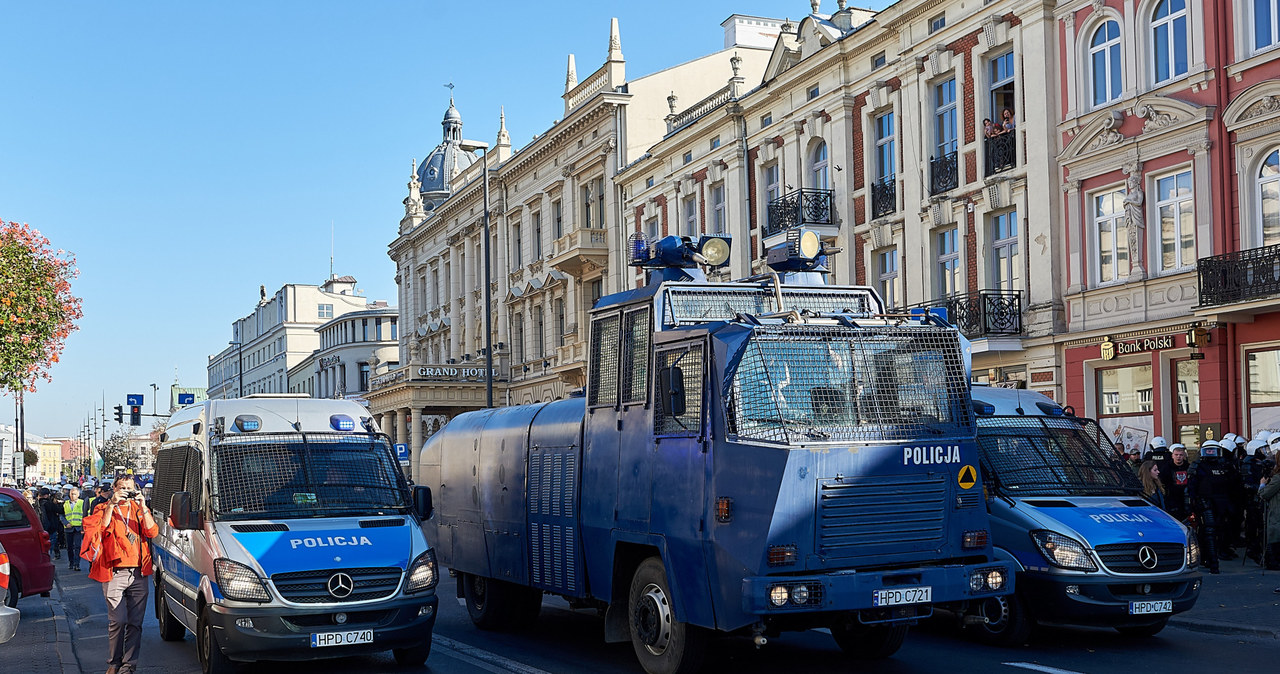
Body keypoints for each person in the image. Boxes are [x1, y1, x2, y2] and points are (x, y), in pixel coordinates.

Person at [81, 475, 159, 674]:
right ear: (114, 489)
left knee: (135, 623)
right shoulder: (103, 508)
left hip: (139, 572)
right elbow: (100, 528)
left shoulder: (138, 509)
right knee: (118, 620)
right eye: (122, 488)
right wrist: (111, 505)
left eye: (129, 488)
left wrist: (143, 506)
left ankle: (128, 666)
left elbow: (152, 532)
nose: (125, 491)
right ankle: (114, 662)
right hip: (114, 572)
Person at [1190, 439, 1242, 573]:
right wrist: (1191, 505)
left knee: (1219, 531)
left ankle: (1211, 558)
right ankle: (1213, 563)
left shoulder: (1225, 466)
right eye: (1208, 451)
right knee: (1209, 531)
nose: (1211, 453)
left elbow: (1234, 485)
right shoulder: (1198, 466)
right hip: (1206, 502)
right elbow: (1190, 488)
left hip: (1223, 503)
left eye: (1213, 451)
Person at [1162, 443, 1194, 521]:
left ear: (1184, 456)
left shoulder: (1188, 467)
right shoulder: (1166, 467)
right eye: (1176, 455)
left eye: (1180, 455)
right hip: (1172, 499)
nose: (1178, 457)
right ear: (1172, 456)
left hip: (1186, 499)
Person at [1260, 461, 1280, 571]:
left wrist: (1262, 484)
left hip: (1277, 516)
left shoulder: (1278, 479)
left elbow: (1264, 494)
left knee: (1276, 545)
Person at [39, 487, 65, 560]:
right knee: (52, 542)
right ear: (46, 495)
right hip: (51, 527)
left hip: (40, 527)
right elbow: (60, 510)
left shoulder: (37, 504)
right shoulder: (49, 504)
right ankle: (50, 557)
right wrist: (59, 504)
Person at [63, 487, 86, 571]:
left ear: (78, 494)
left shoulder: (82, 503)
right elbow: (62, 515)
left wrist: (84, 527)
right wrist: (66, 523)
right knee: (69, 547)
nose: (73, 496)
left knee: (77, 546)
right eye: (72, 494)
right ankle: (71, 562)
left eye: (75, 494)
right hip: (68, 528)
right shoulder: (65, 503)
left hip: (78, 527)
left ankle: (77, 564)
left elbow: (85, 515)